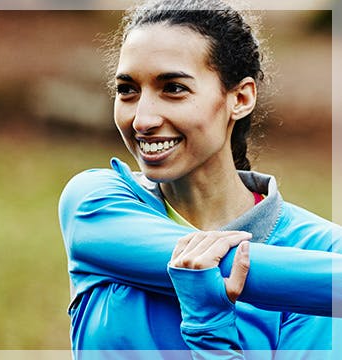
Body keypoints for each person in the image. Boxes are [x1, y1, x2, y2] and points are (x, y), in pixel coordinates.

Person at [58, 0, 342, 358]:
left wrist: (210, 326)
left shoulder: (323, 249)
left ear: (240, 98)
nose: (142, 119)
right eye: (127, 90)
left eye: (173, 88)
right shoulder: (96, 204)